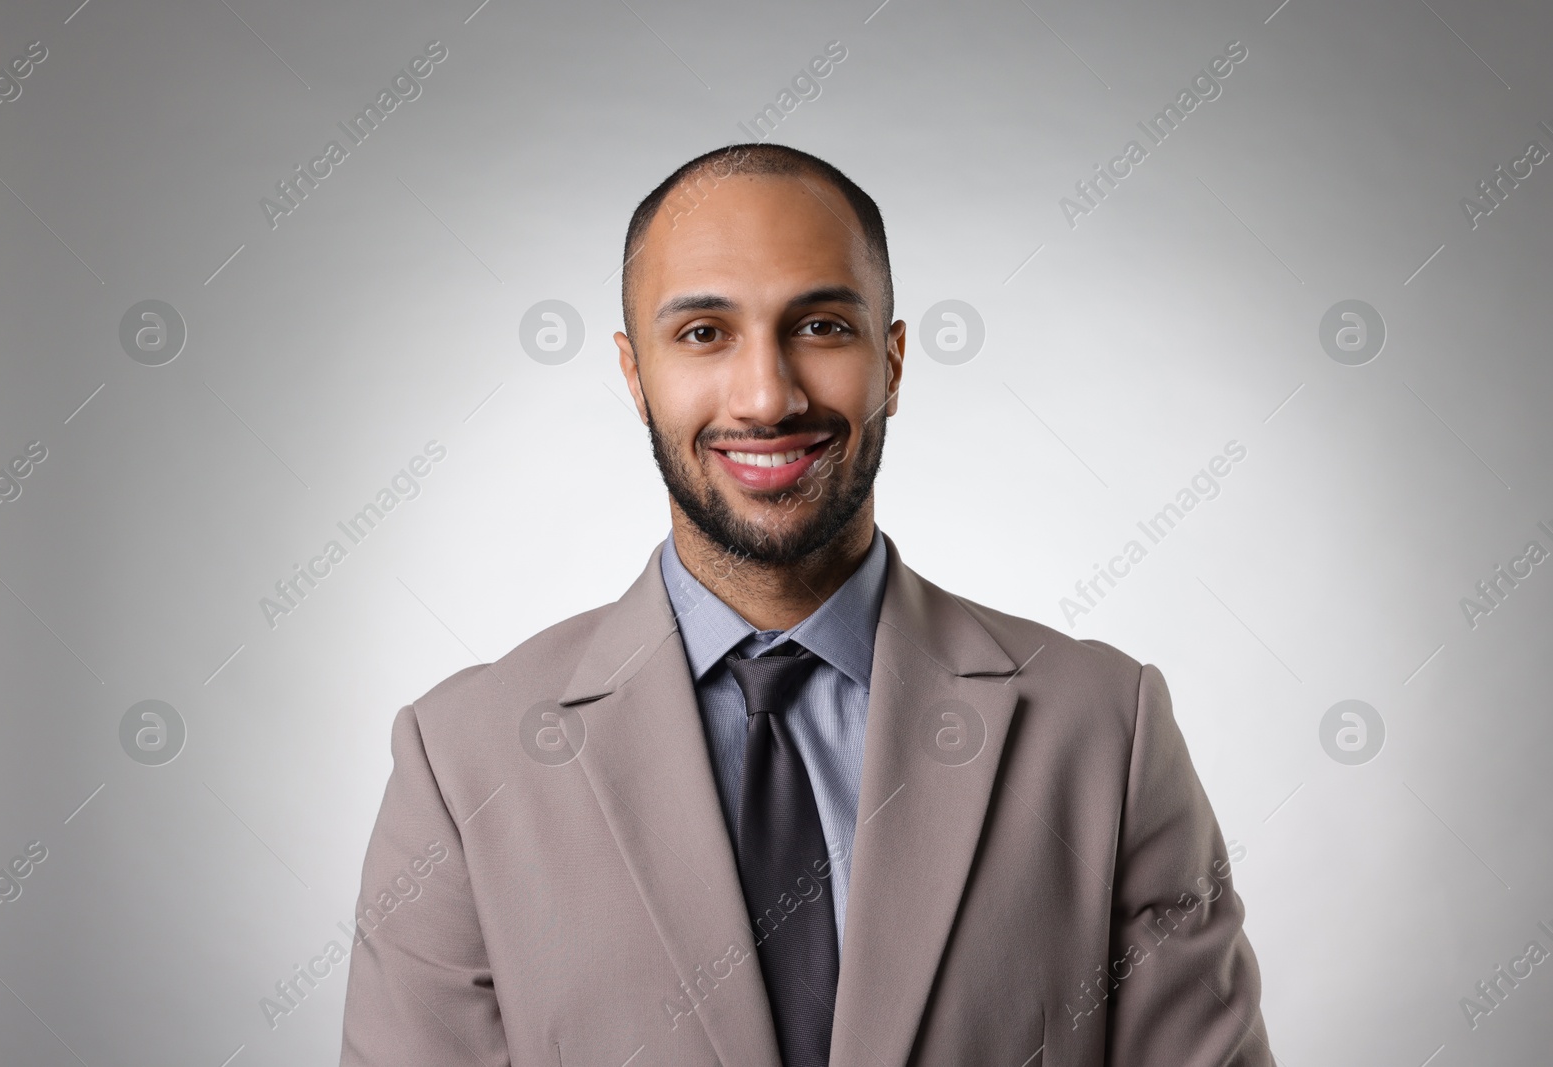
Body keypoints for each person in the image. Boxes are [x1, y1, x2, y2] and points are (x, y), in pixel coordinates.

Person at [340, 143, 1272, 1066]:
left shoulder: (1107, 729)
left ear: (894, 362)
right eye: (703, 333)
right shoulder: (461, 762)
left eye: (821, 326)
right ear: (634, 376)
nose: (766, 396)